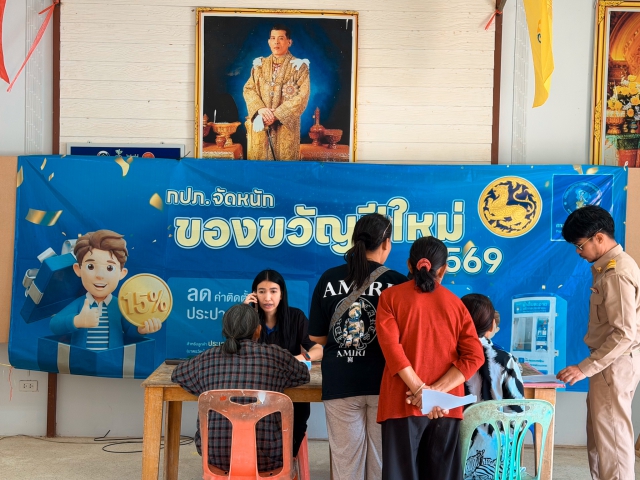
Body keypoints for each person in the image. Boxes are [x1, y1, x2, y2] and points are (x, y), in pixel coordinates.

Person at [376, 236, 484, 480]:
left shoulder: (390, 298)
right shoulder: (456, 305)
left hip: (401, 403)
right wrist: (436, 394)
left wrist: (421, 390)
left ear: (409, 265)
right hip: (446, 407)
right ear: (443, 269)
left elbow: (392, 349)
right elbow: (474, 356)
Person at [308, 213, 407, 480]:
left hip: (340, 381)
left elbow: (318, 337)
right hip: (386, 383)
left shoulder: (329, 279)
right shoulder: (399, 283)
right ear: (386, 243)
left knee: (346, 464)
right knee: (381, 463)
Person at [171, 304, 310, 473]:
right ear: (258, 331)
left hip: (215, 457)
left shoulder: (205, 359)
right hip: (269, 458)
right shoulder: (276, 356)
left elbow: (177, 374)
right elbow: (304, 375)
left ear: (225, 331)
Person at [557, 205, 640, 480]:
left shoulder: (616, 273)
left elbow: (624, 334)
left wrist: (585, 368)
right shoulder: (607, 269)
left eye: (580, 245)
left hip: (613, 364)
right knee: (600, 440)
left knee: (612, 442)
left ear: (599, 238)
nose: (578, 252)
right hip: (607, 364)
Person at [243, 269, 323, 458]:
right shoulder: (249, 318)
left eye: (273, 291)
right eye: (261, 291)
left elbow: (318, 349)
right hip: (257, 389)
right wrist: (245, 312)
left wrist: (295, 359)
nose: (267, 297)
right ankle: (261, 462)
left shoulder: (296, 317)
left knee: (296, 423)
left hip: (290, 388)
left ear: (281, 294)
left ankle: (286, 460)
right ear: (254, 294)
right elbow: (236, 348)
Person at [49, 229, 162, 349]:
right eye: (91, 266)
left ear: (122, 273)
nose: (100, 275)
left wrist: (141, 329)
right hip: (81, 359)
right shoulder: (80, 304)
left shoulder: (119, 306)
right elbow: (54, 325)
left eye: (109, 268)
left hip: (112, 359)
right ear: (78, 270)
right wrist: (77, 321)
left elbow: (129, 330)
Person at [461, 294, 524, 480]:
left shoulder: (446, 357)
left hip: (451, 460)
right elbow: (518, 414)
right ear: (491, 327)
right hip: (498, 465)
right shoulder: (505, 360)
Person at [243, 24, 310, 160]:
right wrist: (260, 109)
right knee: (259, 168)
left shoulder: (299, 67)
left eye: (281, 38)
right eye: (273, 38)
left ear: (289, 42)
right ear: (269, 41)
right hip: (261, 124)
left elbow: (302, 96)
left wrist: (277, 115)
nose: (276, 42)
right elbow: (249, 89)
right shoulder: (259, 65)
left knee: (284, 168)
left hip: (285, 129)